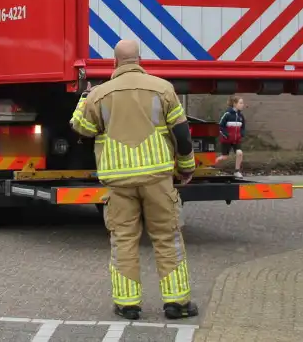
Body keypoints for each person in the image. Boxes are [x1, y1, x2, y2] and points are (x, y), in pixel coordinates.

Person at [69, 40, 198, 322]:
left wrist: (84, 97)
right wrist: (186, 168)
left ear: (115, 63)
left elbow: (82, 128)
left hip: (119, 182)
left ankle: (128, 305)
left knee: (124, 240)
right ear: (140, 59)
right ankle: (177, 303)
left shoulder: (100, 95)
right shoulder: (163, 88)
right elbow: (183, 135)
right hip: (158, 179)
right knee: (167, 238)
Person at [214, 96, 246, 178]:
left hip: (236, 140)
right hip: (226, 140)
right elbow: (221, 126)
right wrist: (226, 135)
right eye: (241, 103)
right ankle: (212, 164)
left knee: (239, 153)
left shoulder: (241, 116)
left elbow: (243, 127)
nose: (243, 105)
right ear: (235, 104)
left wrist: (241, 134)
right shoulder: (227, 114)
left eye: (243, 103)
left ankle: (237, 171)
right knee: (224, 157)